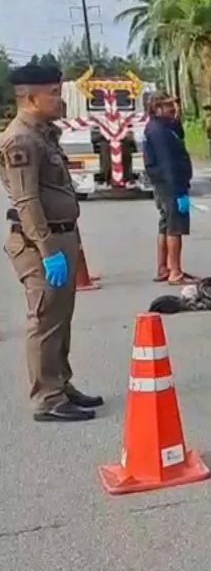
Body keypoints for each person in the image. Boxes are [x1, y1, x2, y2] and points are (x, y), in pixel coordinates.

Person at [1, 62, 102, 422]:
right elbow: (27, 201)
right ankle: (47, 398)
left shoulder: (43, 133)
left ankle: (60, 383)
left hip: (61, 236)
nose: (60, 100)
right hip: (39, 244)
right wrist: (47, 250)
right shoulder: (21, 140)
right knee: (45, 321)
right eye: (54, 94)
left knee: (60, 318)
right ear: (30, 98)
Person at [143, 95, 195, 285]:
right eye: (167, 105)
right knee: (175, 226)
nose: (172, 108)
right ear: (156, 108)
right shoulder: (158, 131)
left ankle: (164, 268)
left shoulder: (163, 126)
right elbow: (167, 161)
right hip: (170, 184)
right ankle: (175, 272)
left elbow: (179, 134)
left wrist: (176, 117)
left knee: (165, 225)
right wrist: (177, 189)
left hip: (166, 183)